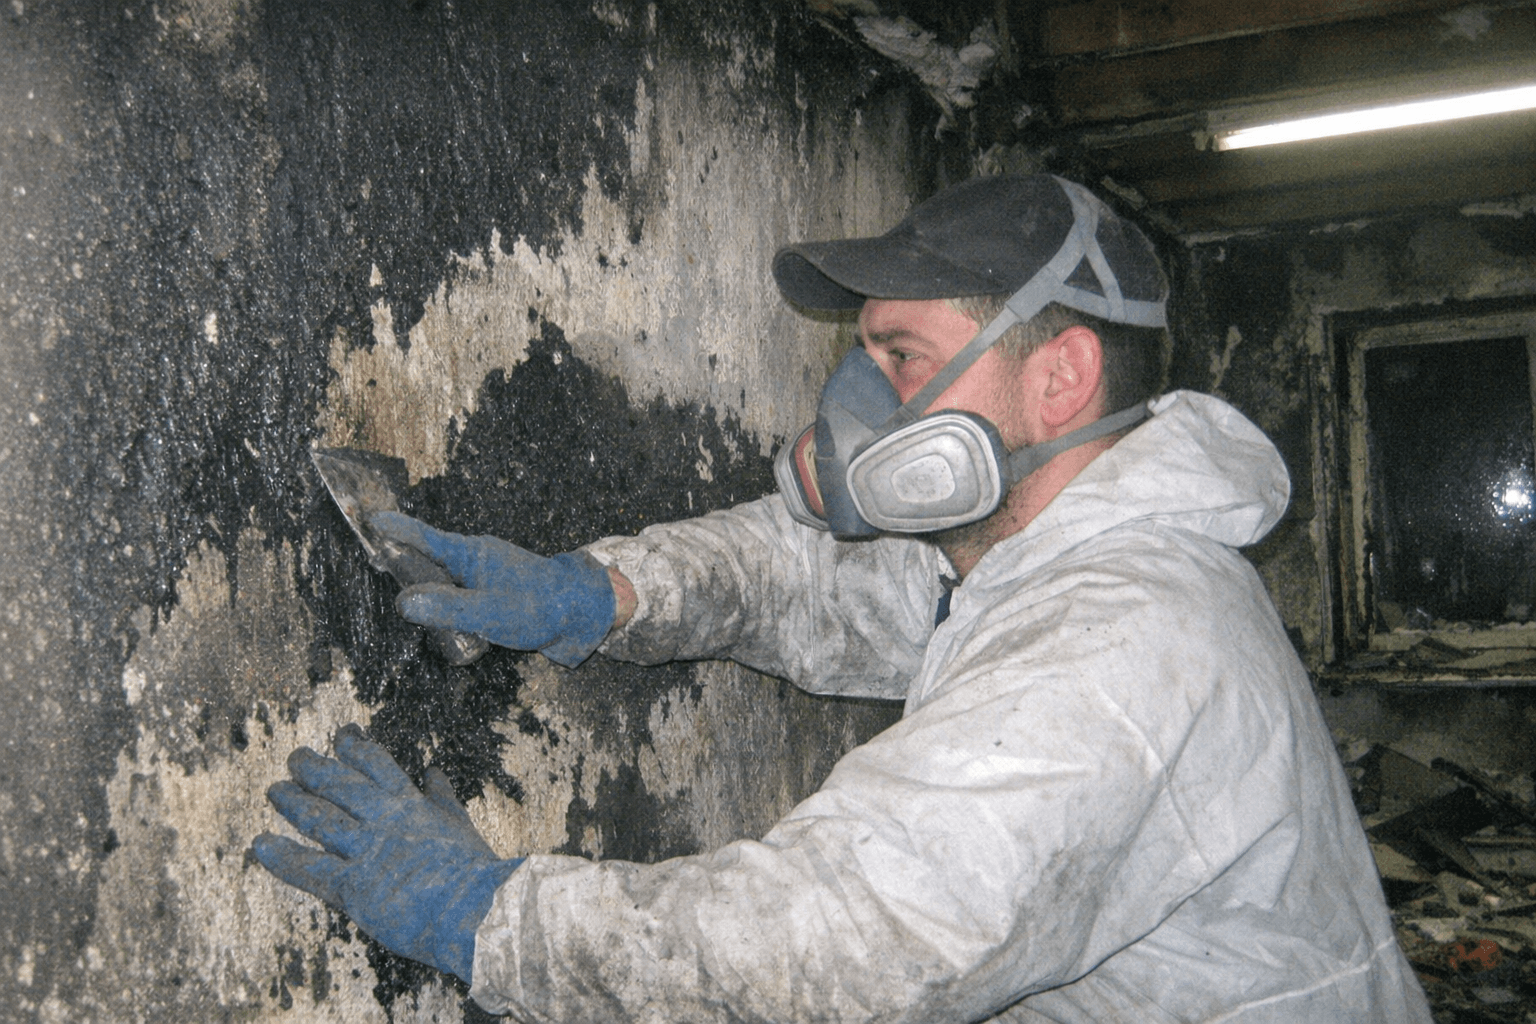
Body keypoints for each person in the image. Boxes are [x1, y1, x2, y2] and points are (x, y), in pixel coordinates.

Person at [254, 174, 1433, 1022]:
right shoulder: (1048, 555)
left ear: (1061, 376)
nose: (858, 397)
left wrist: (488, 917)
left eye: (901, 357)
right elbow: (824, 578)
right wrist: (606, 591)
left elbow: (843, 947)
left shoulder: (1120, 642)